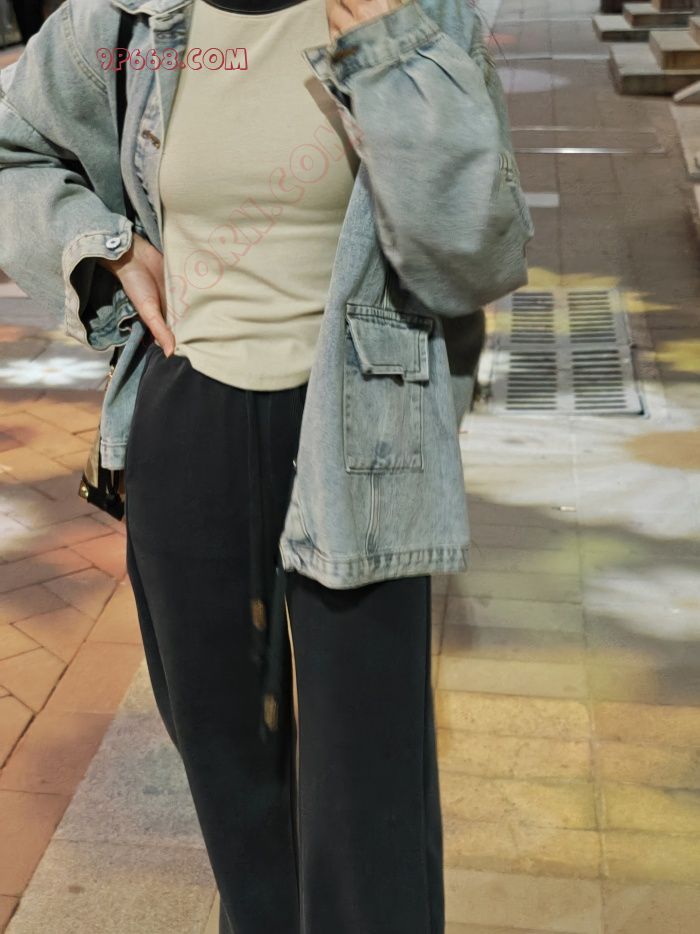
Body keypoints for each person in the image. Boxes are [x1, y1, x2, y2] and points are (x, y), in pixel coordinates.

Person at [0, 0, 534, 931]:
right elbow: (14, 149)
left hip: (361, 429)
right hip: (187, 414)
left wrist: (389, 52)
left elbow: (474, 257)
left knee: (368, 797)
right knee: (227, 768)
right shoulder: (126, 18)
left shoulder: (415, 11)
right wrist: (105, 248)